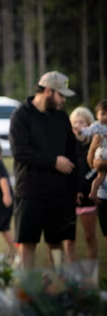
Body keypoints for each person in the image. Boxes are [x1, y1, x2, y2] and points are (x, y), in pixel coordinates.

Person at [9, 71, 79, 269]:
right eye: (61, 95)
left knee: (56, 244)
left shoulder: (62, 118)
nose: (63, 100)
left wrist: (75, 189)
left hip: (59, 194)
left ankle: (60, 287)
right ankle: (27, 289)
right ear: (48, 91)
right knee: (28, 243)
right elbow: (19, 152)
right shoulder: (21, 116)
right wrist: (53, 161)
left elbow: (72, 155)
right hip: (30, 192)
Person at [65, 106, 98, 261]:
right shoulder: (67, 144)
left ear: (89, 123)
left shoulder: (95, 144)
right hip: (70, 197)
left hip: (89, 196)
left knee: (90, 237)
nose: (78, 125)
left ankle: (91, 274)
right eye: (75, 122)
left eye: (82, 122)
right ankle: (73, 276)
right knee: (69, 239)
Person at [83, 100, 107, 202]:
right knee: (100, 176)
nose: (105, 117)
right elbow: (92, 164)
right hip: (103, 195)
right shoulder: (96, 128)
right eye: (103, 114)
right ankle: (93, 192)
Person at [87, 134, 107, 248]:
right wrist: (94, 146)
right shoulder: (99, 137)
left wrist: (100, 164)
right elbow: (93, 164)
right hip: (103, 197)